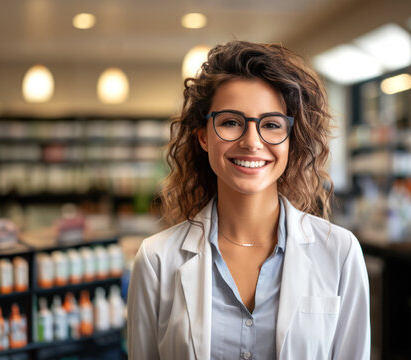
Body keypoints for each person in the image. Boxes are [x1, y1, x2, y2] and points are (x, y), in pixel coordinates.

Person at [127, 40, 370, 360]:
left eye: (271, 125)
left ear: (290, 140)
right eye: (230, 122)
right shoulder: (157, 260)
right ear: (203, 136)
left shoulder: (339, 253)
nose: (252, 142)